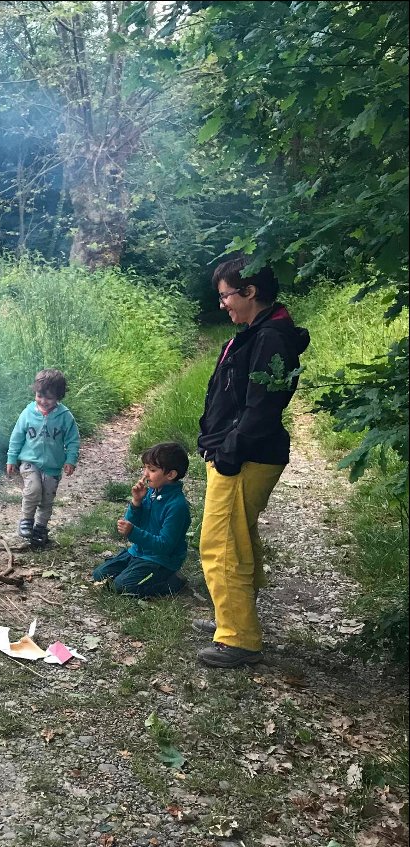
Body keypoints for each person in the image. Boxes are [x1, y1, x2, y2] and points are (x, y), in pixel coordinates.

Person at [195, 256, 310, 668]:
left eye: (226, 295)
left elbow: (262, 409)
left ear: (250, 292)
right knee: (238, 536)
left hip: (245, 458)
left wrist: (228, 452)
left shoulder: (270, 338)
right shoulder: (258, 331)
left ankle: (239, 638)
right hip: (243, 454)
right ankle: (234, 614)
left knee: (221, 544)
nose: (223, 303)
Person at [93, 442, 191, 597]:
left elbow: (164, 545)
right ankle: (132, 570)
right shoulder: (151, 493)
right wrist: (136, 503)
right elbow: (132, 522)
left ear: (170, 475)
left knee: (121, 587)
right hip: (137, 552)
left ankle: (171, 583)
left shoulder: (177, 506)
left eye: (152, 470)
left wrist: (133, 532)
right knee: (99, 575)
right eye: (145, 468)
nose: (145, 474)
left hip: (160, 560)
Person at [5, 368, 80, 548]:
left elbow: (73, 440)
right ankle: (26, 520)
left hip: (53, 466)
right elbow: (17, 436)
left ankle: (40, 528)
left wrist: (71, 460)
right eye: (40, 395)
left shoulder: (65, 417)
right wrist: (11, 458)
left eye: (49, 397)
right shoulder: (28, 413)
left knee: (47, 498)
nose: (43, 401)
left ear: (58, 397)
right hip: (30, 462)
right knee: (33, 490)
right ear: (35, 393)